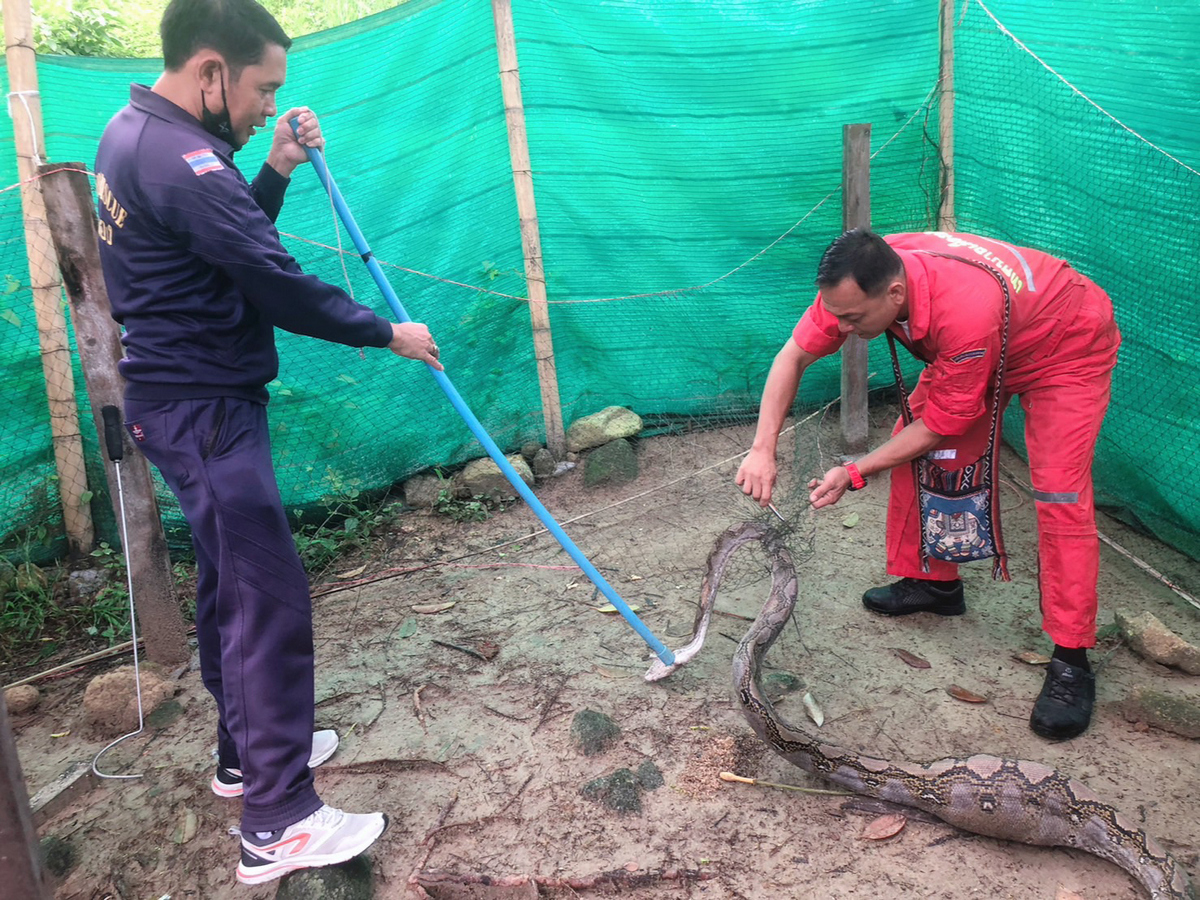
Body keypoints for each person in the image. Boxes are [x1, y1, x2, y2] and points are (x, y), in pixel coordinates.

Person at [94, 0, 442, 884]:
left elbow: (219, 243)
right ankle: (279, 820)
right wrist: (383, 332)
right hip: (203, 408)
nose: (265, 106)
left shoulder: (137, 136)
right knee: (267, 600)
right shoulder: (182, 161)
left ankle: (244, 757)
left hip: (183, 401)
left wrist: (279, 167)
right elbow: (272, 280)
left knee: (229, 589)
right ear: (211, 69)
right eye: (262, 89)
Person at [737, 229, 1120, 741]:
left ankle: (1071, 660)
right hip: (985, 340)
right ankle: (935, 583)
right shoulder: (857, 278)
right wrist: (763, 447)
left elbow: (943, 424)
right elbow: (793, 356)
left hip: (1063, 342)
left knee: (1059, 494)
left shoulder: (962, 311)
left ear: (894, 295)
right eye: (838, 315)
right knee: (915, 454)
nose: (843, 327)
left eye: (853, 319)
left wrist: (855, 471)